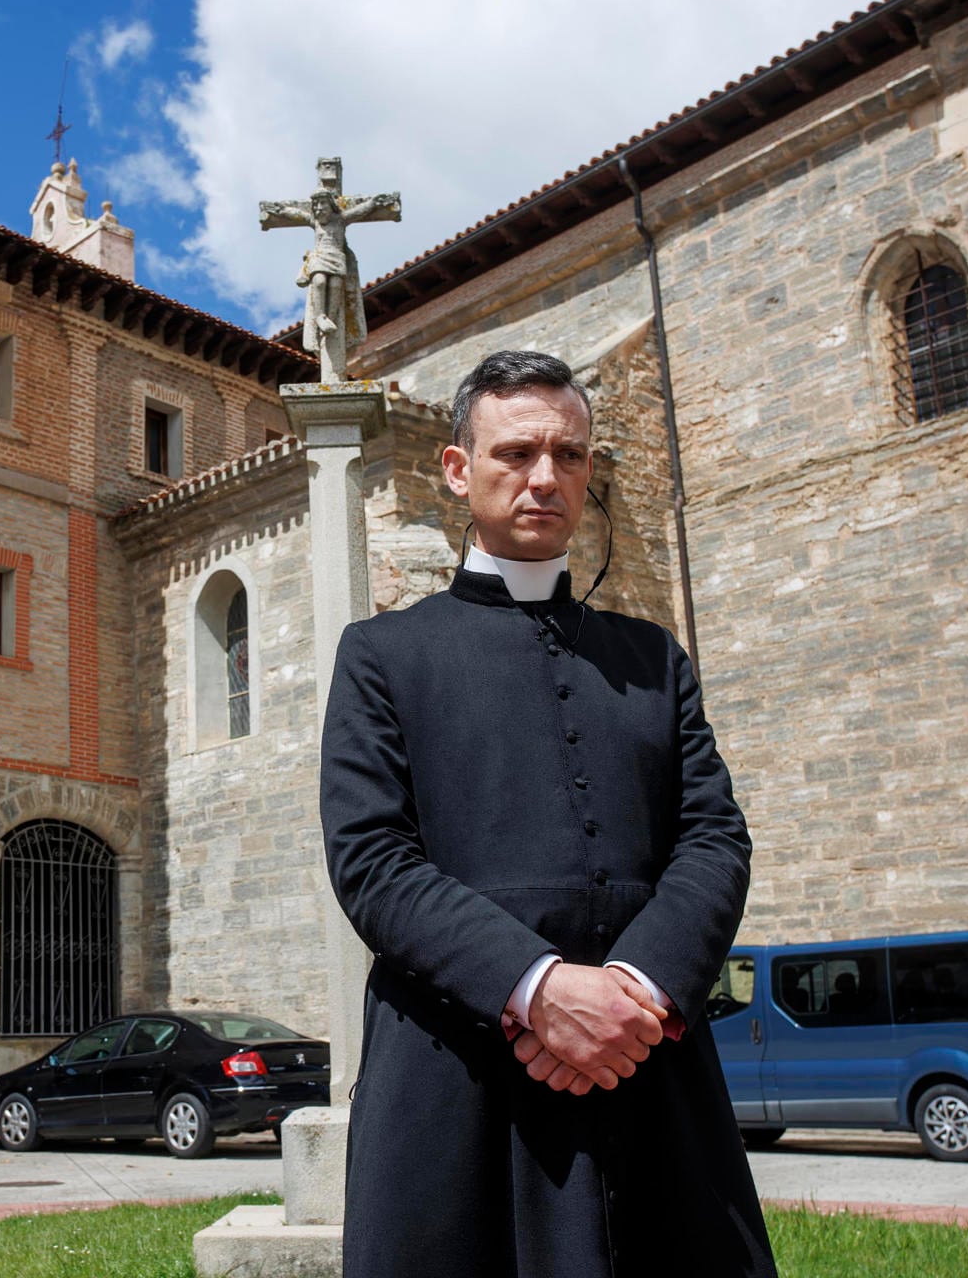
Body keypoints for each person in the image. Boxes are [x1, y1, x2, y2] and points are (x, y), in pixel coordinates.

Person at [320, 350, 776, 1276]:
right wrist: (537, 989)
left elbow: (715, 838)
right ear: (457, 471)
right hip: (459, 1074)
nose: (545, 478)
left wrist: (636, 994)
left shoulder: (654, 658)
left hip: (647, 1068)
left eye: (569, 456)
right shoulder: (381, 656)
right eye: (517, 452)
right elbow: (372, 860)